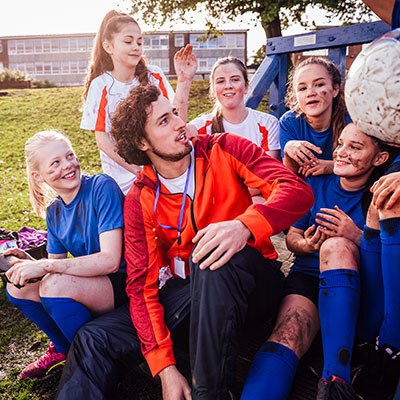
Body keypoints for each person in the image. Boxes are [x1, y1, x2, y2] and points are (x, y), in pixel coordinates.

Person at [55, 84, 314, 400]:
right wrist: (164, 367)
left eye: (175, 113)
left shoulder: (224, 148)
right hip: (191, 294)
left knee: (213, 256)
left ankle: (210, 394)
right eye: (164, 121)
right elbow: (141, 287)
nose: (180, 123)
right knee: (93, 337)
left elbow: (296, 190)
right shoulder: (139, 199)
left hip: (253, 285)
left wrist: (244, 226)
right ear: (142, 142)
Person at [241, 122, 395, 400]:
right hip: (311, 277)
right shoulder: (315, 182)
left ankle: (336, 383)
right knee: (288, 331)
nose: (341, 153)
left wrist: (357, 235)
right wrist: (306, 244)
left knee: (337, 246)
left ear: (380, 158)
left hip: (365, 289)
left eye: (355, 147)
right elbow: (292, 238)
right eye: (340, 145)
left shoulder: (385, 194)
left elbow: (391, 263)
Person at [3, 130, 126, 380]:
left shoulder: (102, 187)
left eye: (69, 156)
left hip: (125, 281)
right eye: (55, 163)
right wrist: (30, 263)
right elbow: (55, 266)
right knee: (18, 287)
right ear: (39, 177)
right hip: (92, 284)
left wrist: (46, 266)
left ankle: (97, 362)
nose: (68, 166)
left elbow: (111, 260)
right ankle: (65, 350)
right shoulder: (54, 211)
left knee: (53, 285)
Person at [80, 10, 196, 194]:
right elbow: (103, 140)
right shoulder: (100, 85)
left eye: (139, 42)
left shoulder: (154, 75)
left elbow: (177, 121)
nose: (136, 47)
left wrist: (184, 82)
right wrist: (136, 170)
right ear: (108, 47)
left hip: (161, 172)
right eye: (128, 42)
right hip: (121, 180)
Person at [188, 56, 280, 160]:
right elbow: (175, 135)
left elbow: (268, 172)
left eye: (235, 79)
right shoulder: (202, 126)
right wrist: (184, 82)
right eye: (220, 81)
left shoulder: (268, 124)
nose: (228, 86)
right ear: (213, 90)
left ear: (246, 86)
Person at [280, 56, 350, 178]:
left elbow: (367, 165)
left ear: (335, 89)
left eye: (319, 84)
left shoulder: (351, 121)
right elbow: (290, 177)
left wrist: (331, 166)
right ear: (295, 96)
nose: (310, 93)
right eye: (302, 88)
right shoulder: (289, 122)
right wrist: (288, 150)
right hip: (306, 190)